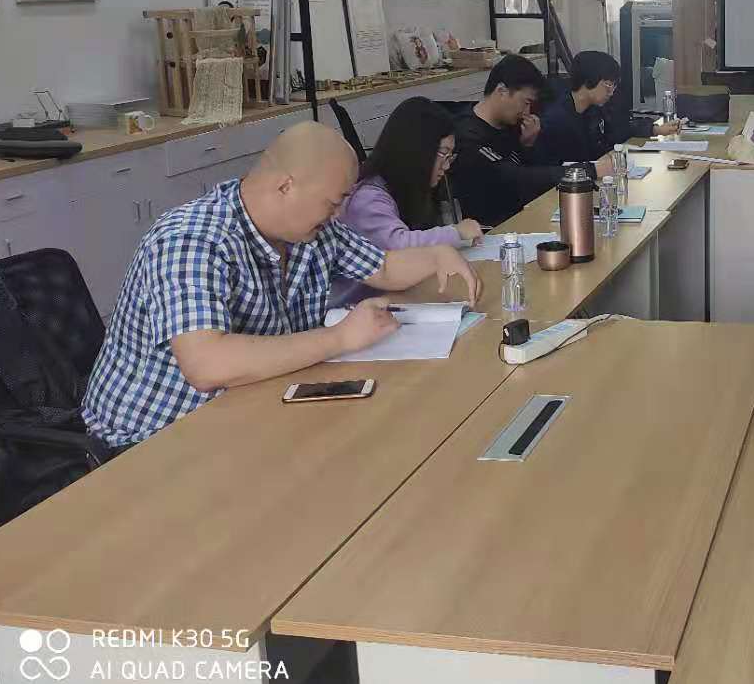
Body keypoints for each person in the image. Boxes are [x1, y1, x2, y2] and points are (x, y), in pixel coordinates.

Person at [81, 123, 483, 448]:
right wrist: (340, 337)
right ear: (286, 186)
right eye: (333, 202)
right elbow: (207, 365)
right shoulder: (192, 240)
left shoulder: (310, 229)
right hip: (153, 437)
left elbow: (385, 268)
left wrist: (436, 255)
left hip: (251, 408)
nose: (338, 214)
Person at [448, 54, 612, 227]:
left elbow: (539, 169)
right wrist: (588, 171)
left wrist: (528, 144)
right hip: (495, 228)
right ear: (502, 91)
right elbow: (519, 178)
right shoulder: (467, 136)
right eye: (526, 102)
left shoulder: (512, 124)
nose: (527, 112)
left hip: (530, 212)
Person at [340, 96, 483, 251]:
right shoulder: (367, 197)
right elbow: (398, 245)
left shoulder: (408, 187)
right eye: (443, 153)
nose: (447, 166)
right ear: (415, 150)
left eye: (450, 156)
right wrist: (456, 232)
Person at [536, 50, 680, 165]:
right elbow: (561, 166)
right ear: (588, 81)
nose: (611, 92)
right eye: (608, 85)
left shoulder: (594, 109)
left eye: (614, 85)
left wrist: (655, 129)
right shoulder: (557, 119)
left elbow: (618, 131)